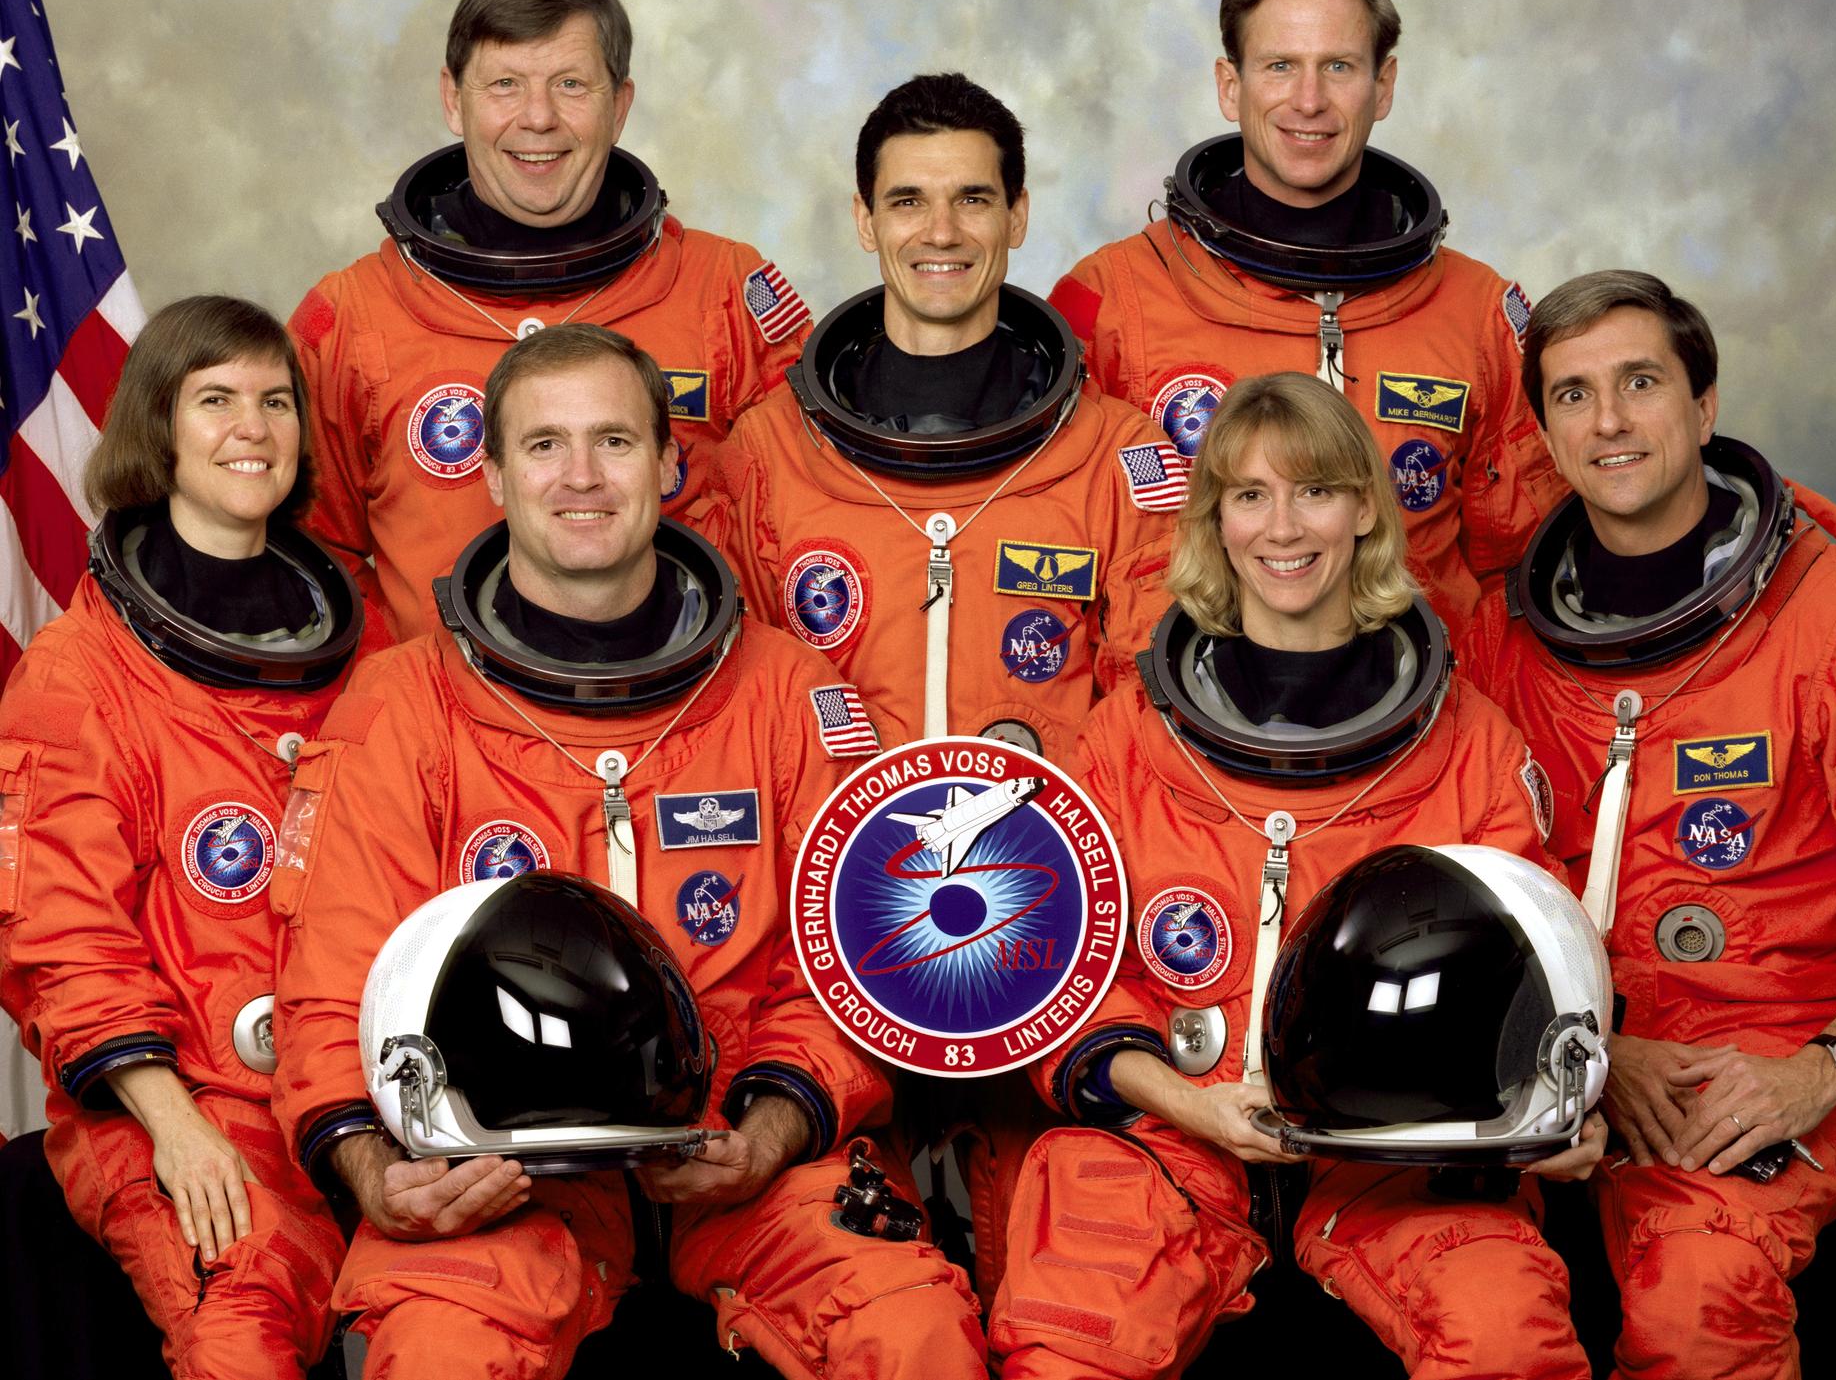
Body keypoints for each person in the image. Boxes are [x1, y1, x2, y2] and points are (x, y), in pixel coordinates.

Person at [271, 324, 986, 1379]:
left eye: (613, 441)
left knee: (910, 1324)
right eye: (546, 445)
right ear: (495, 472)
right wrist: (375, 1167)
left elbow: (859, 967)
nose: (582, 477)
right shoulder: (404, 706)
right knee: (437, 1349)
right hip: (496, 1150)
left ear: (666, 462)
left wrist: (778, 1125)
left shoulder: (787, 692)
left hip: (740, 1128)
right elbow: (332, 980)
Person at [991, 373, 1605, 1379]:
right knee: (1071, 1338)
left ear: (1366, 506)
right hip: (1170, 1132)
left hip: (1402, 1151)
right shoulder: (1128, 739)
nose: (1284, 527)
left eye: (1315, 490)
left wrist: (1556, 1108)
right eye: (1248, 495)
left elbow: (1538, 976)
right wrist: (1189, 1104)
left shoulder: (1468, 745)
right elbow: (1055, 979)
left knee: (1505, 1335)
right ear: (1214, 522)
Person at [1460, 270, 1836, 1379]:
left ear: (1704, 407)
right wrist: (1592, 1050)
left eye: (1640, 383)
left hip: (1779, 1047)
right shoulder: (1498, 640)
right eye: (1573, 395)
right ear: (1546, 431)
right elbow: (1468, 890)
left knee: (1697, 1304)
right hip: (1574, 1059)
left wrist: (1824, 1066)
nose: (1609, 421)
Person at [0, 297, 366, 1378]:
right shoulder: (79, 674)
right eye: (216, 400)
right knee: (237, 1308)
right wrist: (173, 1122)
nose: (252, 426)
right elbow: (56, 936)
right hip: (177, 1097)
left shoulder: (365, 639)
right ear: (157, 428)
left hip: (356, 1083)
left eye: (274, 399)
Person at [1049, 0, 1561, 641]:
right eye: (1281, 65)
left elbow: (1527, 572)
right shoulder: (1112, 301)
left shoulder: (1478, 312)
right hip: (1187, 727)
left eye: (1340, 67)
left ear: (1384, 87)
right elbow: (1060, 563)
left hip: (1427, 720)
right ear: (1231, 85)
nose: (1310, 100)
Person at [291, 0, 810, 640]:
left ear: (620, 105)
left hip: (689, 722)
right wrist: (417, 701)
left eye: (571, 84)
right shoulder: (353, 318)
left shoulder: (723, 294)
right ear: (453, 100)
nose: (538, 119)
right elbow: (309, 558)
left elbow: (803, 533)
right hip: (448, 731)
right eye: (504, 84)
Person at [726, 71, 1174, 761]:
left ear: (1016, 216)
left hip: (1048, 855)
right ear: (865, 221)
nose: (941, 232)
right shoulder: (771, 450)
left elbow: (1146, 719)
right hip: (831, 855)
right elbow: (742, 712)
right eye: (908, 201)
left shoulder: (1115, 456)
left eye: (973, 199)